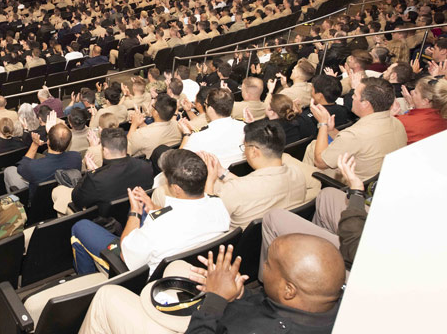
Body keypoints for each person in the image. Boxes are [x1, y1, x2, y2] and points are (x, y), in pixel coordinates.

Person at [77, 235, 345, 334]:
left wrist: (216, 299)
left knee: (107, 296)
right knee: (179, 269)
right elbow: (265, 307)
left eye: (269, 264)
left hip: (208, 325)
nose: (263, 265)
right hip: (230, 315)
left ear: (289, 290)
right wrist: (239, 295)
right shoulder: (330, 306)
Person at [70, 149, 230, 275]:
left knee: (80, 227)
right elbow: (186, 218)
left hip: (139, 275)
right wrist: (153, 208)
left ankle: (88, 279)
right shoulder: (219, 205)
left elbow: (124, 255)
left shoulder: (157, 226)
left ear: (176, 188)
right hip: (188, 263)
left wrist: (135, 212)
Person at [187, 119, 308, 229]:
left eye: (244, 147)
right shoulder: (298, 173)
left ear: (254, 151)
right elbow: (248, 186)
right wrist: (222, 172)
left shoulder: (236, 190)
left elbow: (206, 217)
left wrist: (209, 180)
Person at [305, 77, 407, 181]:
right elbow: (352, 143)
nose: (352, 97)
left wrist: (322, 124)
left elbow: (320, 162)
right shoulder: (398, 123)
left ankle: (311, 189)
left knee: (313, 148)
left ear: (365, 103)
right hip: (380, 178)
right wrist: (331, 130)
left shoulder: (354, 135)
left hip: (354, 184)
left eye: (355, 95)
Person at [52, 128, 153, 215]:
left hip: (104, 222)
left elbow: (77, 199)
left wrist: (90, 173)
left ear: (105, 151)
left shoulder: (95, 179)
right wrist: (97, 171)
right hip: (135, 214)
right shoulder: (146, 166)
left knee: (58, 191)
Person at [4, 121, 82, 193]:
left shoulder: (34, 167)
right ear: (68, 143)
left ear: (48, 141)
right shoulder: (76, 157)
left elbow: (21, 167)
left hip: (38, 199)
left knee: (9, 170)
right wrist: (53, 136)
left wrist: (35, 144)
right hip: (63, 195)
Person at [178, 88, 246, 168]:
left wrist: (186, 135)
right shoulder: (245, 127)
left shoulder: (198, 137)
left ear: (210, 108)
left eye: (205, 104)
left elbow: (178, 161)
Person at [393, 76, 447, 144]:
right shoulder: (443, 117)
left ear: (425, 101)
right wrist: (412, 106)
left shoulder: (401, 122)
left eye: (416, 92)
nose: (411, 92)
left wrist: (389, 116)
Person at [127, 94, 183, 158]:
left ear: (156, 112)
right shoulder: (178, 126)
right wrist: (141, 124)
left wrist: (134, 125)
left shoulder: (141, 134)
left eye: (153, 106)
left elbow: (125, 150)